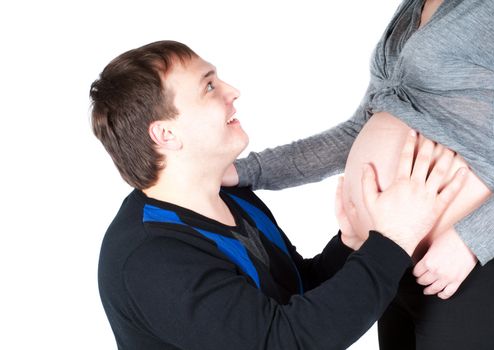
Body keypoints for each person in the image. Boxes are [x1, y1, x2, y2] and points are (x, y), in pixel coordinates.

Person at [90, 40, 466, 349]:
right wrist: (393, 240)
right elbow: (285, 340)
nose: (232, 93)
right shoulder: (149, 257)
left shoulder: (233, 200)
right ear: (165, 135)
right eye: (208, 87)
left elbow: (295, 293)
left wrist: (350, 245)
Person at [225, 0, 494, 348]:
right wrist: (243, 171)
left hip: (472, 270)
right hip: (391, 265)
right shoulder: (413, 6)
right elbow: (357, 130)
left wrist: (471, 242)